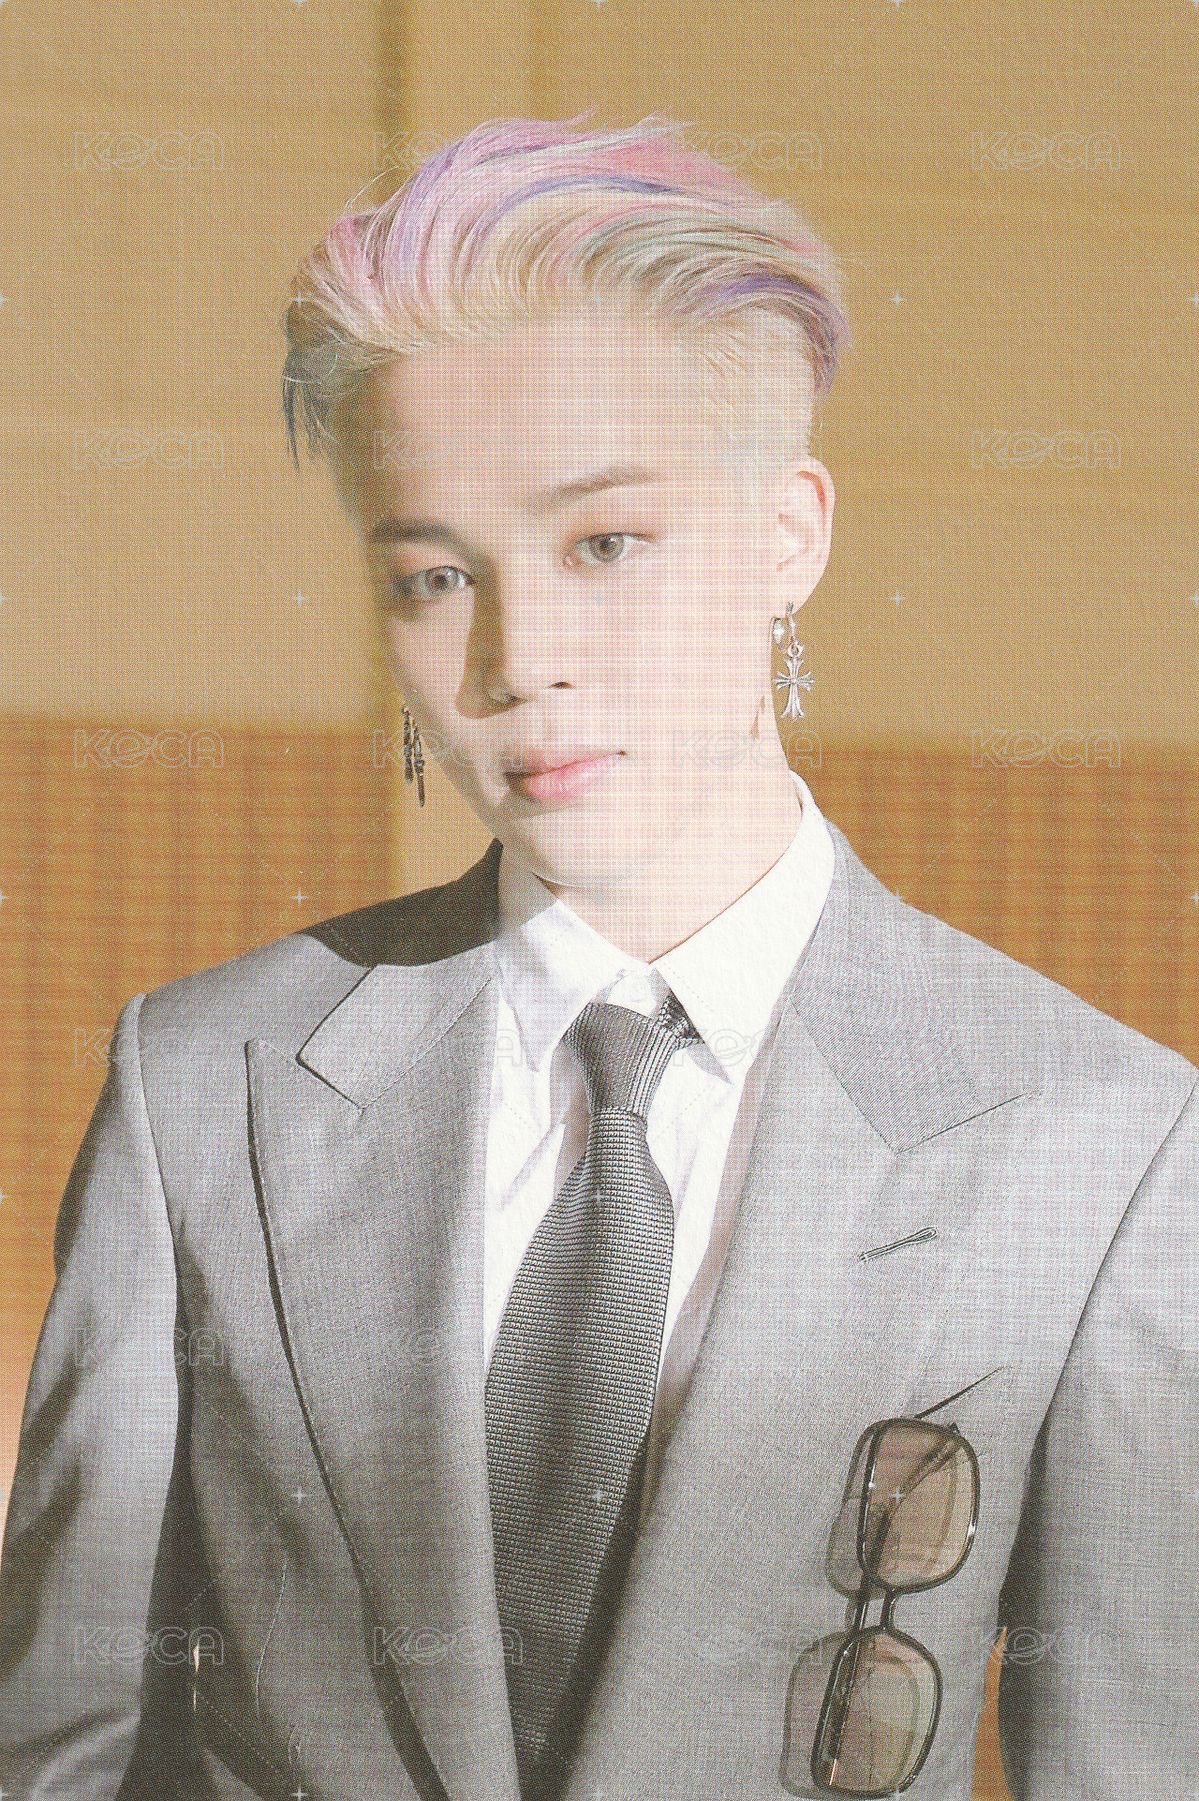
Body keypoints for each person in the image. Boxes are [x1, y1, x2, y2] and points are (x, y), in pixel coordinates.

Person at [1, 113, 1196, 1801]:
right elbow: (61, 1745)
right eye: (436, 576)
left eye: (607, 545)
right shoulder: (205, 1086)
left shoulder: (1101, 1143)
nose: (520, 657)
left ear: (788, 534)